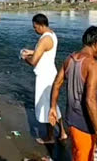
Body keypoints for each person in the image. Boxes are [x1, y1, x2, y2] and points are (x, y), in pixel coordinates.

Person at [49, 26, 97, 160]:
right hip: (85, 124)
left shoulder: (69, 59)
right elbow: (90, 100)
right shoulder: (94, 65)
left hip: (70, 119)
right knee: (84, 156)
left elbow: (57, 84)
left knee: (77, 152)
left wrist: (53, 107)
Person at [21, 13, 67, 144]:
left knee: (47, 107)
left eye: (35, 27)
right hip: (51, 74)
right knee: (53, 105)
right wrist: (30, 51)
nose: (35, 29)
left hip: (45, 77)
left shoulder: (44, 39)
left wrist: (24, 57)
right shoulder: (51, 34)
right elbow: (44, 52)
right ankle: (62, 133)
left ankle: (50, 137)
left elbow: (34, 61)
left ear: (41, 25)